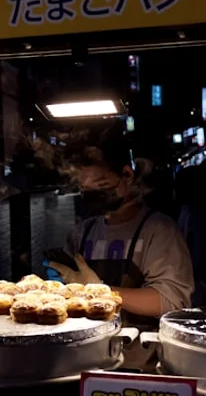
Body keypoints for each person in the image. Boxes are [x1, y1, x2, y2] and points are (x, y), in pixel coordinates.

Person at [50, 131, 193, 324]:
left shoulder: (160, 230)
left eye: (101, 185)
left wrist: (103, 292)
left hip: (140, 340)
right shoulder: (81, 233)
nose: (95, 196)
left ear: (127, 175)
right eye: (86, 190)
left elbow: (172, 301)